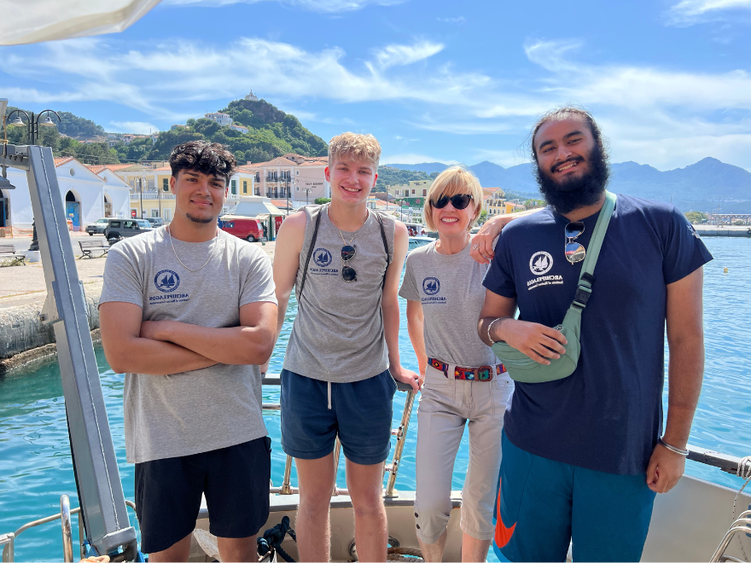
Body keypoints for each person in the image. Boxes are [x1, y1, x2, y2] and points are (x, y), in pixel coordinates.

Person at [476, 107, 713, 562]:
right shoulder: (519, 237)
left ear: (597, 145)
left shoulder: (662, 225)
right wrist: (508, 328)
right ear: (539, 164)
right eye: (548, 148)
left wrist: (675, 442)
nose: (562, 154)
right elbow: (486, 324)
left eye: (573, 140)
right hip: (530, 445)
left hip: (623, 454)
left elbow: (687, 341)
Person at [99, 141, 277, 562]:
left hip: (239, 432)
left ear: (225, 192)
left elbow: (259, 344)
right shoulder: (130, 255)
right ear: (174, 183)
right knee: (166, 557)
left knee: (241, 554)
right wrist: (225, 345)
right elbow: (122, 355)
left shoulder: (249, 259)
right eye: (193, 180)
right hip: (161, 439)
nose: (204, 191)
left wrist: (166, 330)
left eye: (215, 183)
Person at [272, 132, 420, 562]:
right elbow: (279, 296)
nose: (353, 179)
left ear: (375, 178)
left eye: (363, 172)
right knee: (313, 500)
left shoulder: (392, 233)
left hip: (368, 381)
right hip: (306, 378)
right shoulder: (301, 225)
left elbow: (390, 302)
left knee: (368, 501)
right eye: (345, 169)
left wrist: (395, 364)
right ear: (328, 173)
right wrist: (259, 358)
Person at [399, 167, 515, 562]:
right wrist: (422, 364)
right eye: (440, 201)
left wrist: (499, 222)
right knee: (430, 503)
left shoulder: (495, 255)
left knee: (481, 499)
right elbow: (413, 316)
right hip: (440, 390)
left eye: (460, 200)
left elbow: (553, 217)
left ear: (475, 208)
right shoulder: (417, 261)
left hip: (495, 388)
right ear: (430, 209)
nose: (449, 208)